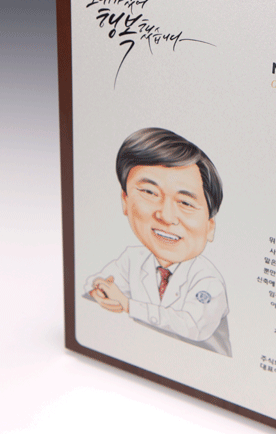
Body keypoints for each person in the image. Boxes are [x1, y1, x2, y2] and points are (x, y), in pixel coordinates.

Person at [84, 127, 231, 356]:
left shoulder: (208, 280)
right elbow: (100, 281)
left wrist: (128, 305)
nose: (166, 216)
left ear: (210, 227)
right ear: (125, 200)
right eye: (150, 192)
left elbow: (191, 326)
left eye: (185, 203)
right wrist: (99, 291)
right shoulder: (133, 259)